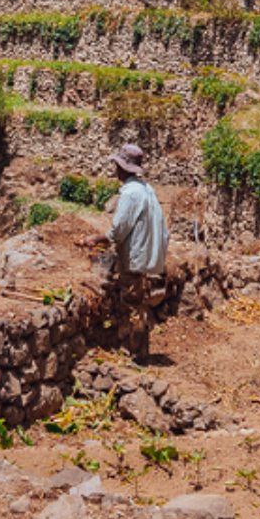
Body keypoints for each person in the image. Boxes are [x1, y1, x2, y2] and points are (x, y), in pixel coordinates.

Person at [101, 142, 167, 360]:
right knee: (138, 300)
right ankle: (139, 349)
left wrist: (101, 238)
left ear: (123, 168)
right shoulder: (146, 189)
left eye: (117, 166)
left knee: (131, 303)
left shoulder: (130, 193)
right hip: (146, 254)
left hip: (134, 256)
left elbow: (119, 228)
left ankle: (135, 353)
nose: (115, 170)